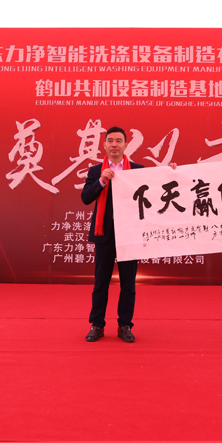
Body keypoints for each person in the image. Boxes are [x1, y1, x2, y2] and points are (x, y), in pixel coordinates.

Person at [81, 126, 144, 343]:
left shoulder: (137, 170)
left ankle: (125, 324)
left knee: (128, 283)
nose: (114, 145)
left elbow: (155, 192)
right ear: (105, 145)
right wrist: (101, 181)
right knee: (101, 282)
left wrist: (171, 172)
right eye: (110, 141)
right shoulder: (95, 171)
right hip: (104, 234)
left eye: (118, 141)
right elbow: (85, 198)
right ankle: (97, 324)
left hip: (129, 235)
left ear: (126, 145)